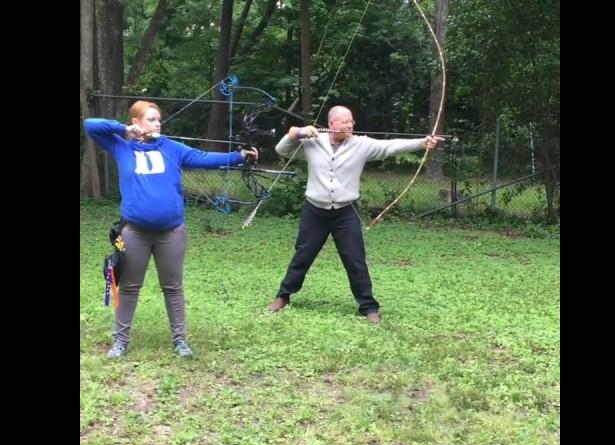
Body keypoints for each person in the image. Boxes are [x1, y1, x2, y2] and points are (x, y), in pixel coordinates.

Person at [84, 100, 259, 358]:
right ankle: (120, 342)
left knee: (173, 287)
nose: (157, 124)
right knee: (130, 286)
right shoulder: (121, 146)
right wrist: (123, 130)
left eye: (158, 120)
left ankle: (181, 341)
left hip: (171, 232)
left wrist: (240, 156)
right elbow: (90, 125)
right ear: (136, 122)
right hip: (134, 232)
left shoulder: (172, 148)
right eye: (151, 119)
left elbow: (204, 158)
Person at [267, 105, 443, 323]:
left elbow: (390, 146)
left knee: (355, 260)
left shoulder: (361, 144)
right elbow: (281, 149)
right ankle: (283, 296)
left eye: (351, 122)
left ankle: (368, 307)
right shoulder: (313, 141)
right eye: (344, 122)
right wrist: (298, 132)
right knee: (303, 255)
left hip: (345, 212)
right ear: (332, 124)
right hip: (315, 211)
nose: (350, 125)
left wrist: (421, 143)